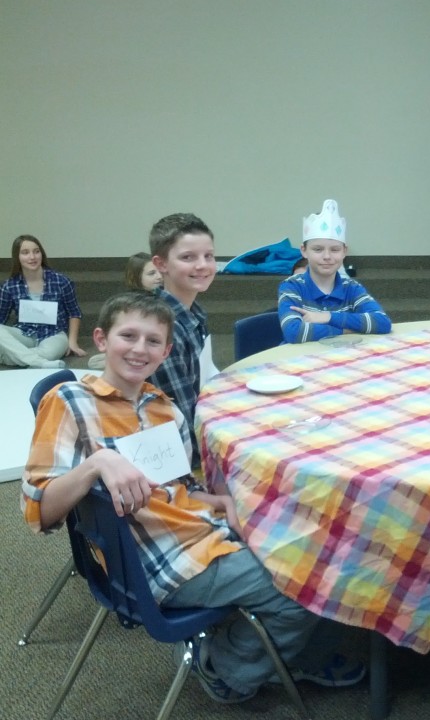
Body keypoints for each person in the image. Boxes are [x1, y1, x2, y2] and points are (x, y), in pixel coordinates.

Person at [22, 291, 365, 704]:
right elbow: (39, 511)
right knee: (306, 583)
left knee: (323, 539)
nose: (139, 349)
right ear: (101, 339)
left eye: (153, 341)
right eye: (128, 336)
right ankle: (227, 669)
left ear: (166, 352)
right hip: (158, 561)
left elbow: (180, 486)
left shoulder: (163, 408)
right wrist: (97, 463)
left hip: (201, 529)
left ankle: (289, 647)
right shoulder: (69, 401)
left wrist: (220, 502)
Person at [146, 214, 218, 472]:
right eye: (188, 257)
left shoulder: (193, 312)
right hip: (177, 461)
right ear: (161, 264)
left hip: (197, 428)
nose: (203, 265)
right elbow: (183, 422)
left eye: (208, 256)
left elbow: (203, 377)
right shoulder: (163, 329)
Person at [278, 199, 392, 342]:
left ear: (344, 252)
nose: (327, 256)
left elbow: (383, 322)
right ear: (304, 251)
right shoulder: (292, 286)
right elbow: (294, 332)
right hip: (301, 356)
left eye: (335, 250)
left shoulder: (351, 287)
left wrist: (327, 317)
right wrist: (346, 330)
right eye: (318, 249)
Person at [0, 234, 85, 369]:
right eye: (25, 253)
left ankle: (14, 357)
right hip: (24, 333)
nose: (32, 257)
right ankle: (39, 363)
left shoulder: (61, 281)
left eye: (36, 251)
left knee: (49, 353)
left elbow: (74, 313)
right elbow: (1, 319)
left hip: (54, 334)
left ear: (42, 254)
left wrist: (72, 342)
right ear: (17, 257)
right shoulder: (10, 286)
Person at [88, 252, 164, 370]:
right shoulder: (127, 303)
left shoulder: (164, 297)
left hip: (154, 349)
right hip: (131, 348)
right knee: (94, 362)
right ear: (137, 277)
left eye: (160, 272)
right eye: (151, 273)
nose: (159, 277)